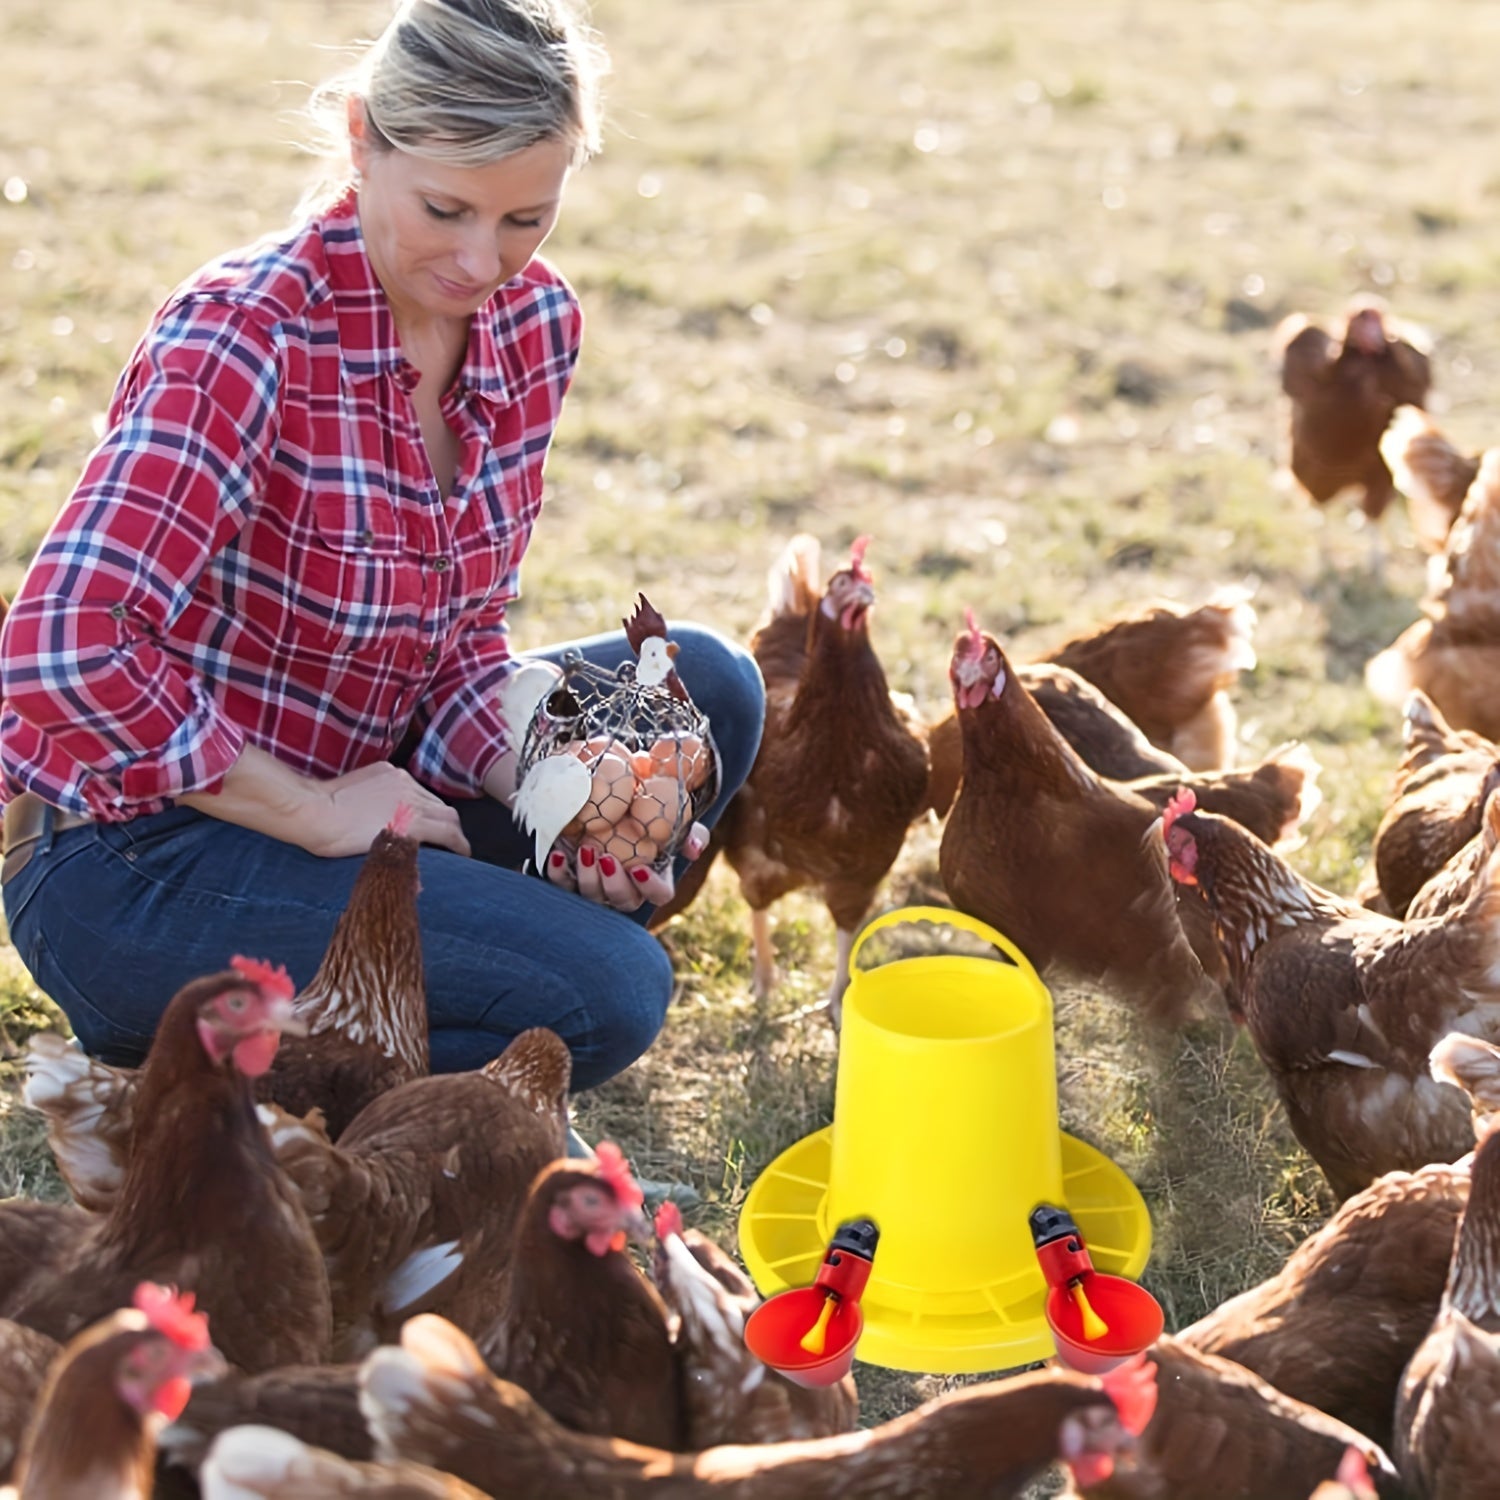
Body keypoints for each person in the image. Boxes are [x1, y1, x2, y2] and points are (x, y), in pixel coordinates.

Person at [0, 0, 764, 1090]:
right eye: (446, 209)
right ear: (363, 136)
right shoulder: (242, 336)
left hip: (367, 776)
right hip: (143, 849)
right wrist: (313, 814)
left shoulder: (535, 323)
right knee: (614, 992)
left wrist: (562, 782)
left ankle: (479, 952)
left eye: (524, 218)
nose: (479, 260)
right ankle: (185, 1061)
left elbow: (454, 647)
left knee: (709, 692)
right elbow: (61, 652)